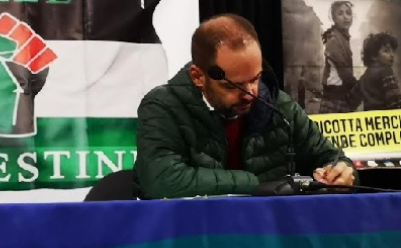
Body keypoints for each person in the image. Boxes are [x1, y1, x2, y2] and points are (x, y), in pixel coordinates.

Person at [133, 13, 355, 199]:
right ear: (198, 77)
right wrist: (257, 184)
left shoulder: (280, 107)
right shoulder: (163, 107)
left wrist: (341, 173)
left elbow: (332, 158)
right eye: (234, 85)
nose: (251, 93)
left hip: (267, 232)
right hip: (193, 232)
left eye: (255, 78)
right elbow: (163, 182)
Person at [355, 32, 401, 111]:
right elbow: (395, 100)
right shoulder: (386, 71)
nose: (392, 55)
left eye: (393, 51)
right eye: (386, 51)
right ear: (374, 55)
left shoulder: (364, 77)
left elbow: (353, 100)